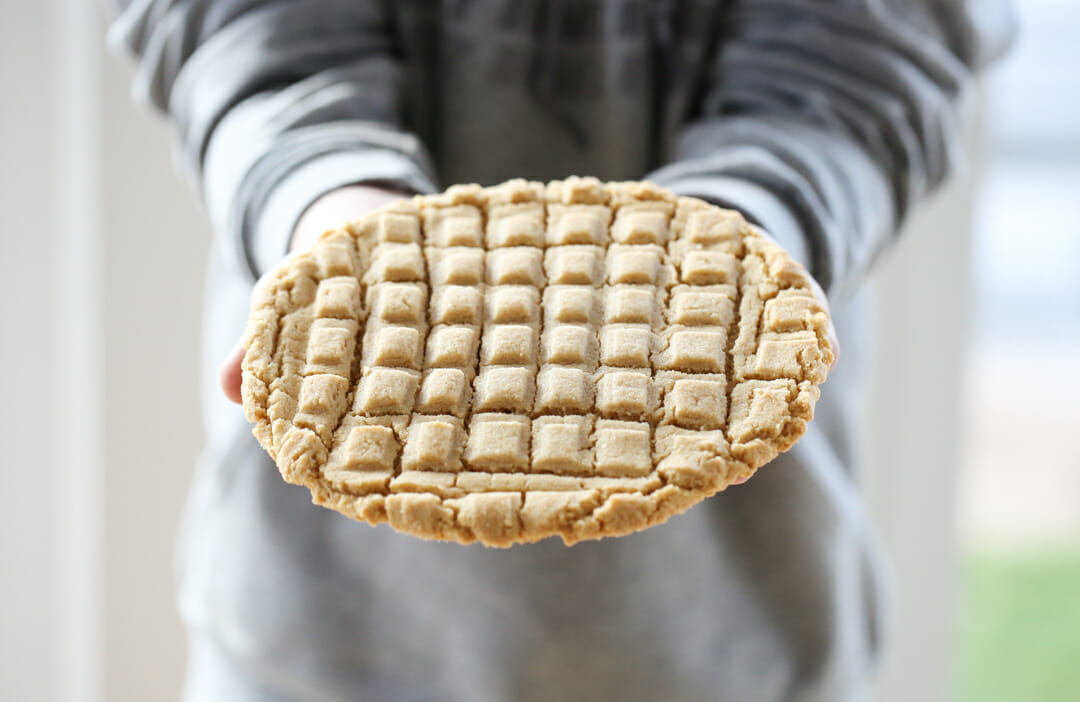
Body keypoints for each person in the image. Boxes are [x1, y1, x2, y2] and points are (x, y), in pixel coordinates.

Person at [109, 2, 1013, 700]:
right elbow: (233, 26)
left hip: (737, 641)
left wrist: (741, 239)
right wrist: (326, 200)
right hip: (311, 641)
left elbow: (870, 53)